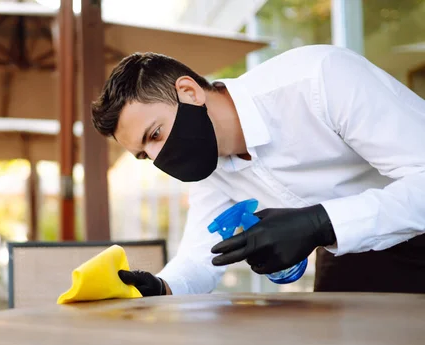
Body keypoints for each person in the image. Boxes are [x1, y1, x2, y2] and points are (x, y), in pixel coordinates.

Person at [91, 44, 425, 296]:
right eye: (144, 154)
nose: (158, 156)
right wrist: (162, 288)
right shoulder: (209, 165)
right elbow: (200, 258)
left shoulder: (319, 80)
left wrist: (319, 223)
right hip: (348, 252)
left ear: (189, 92)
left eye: (155, 134)